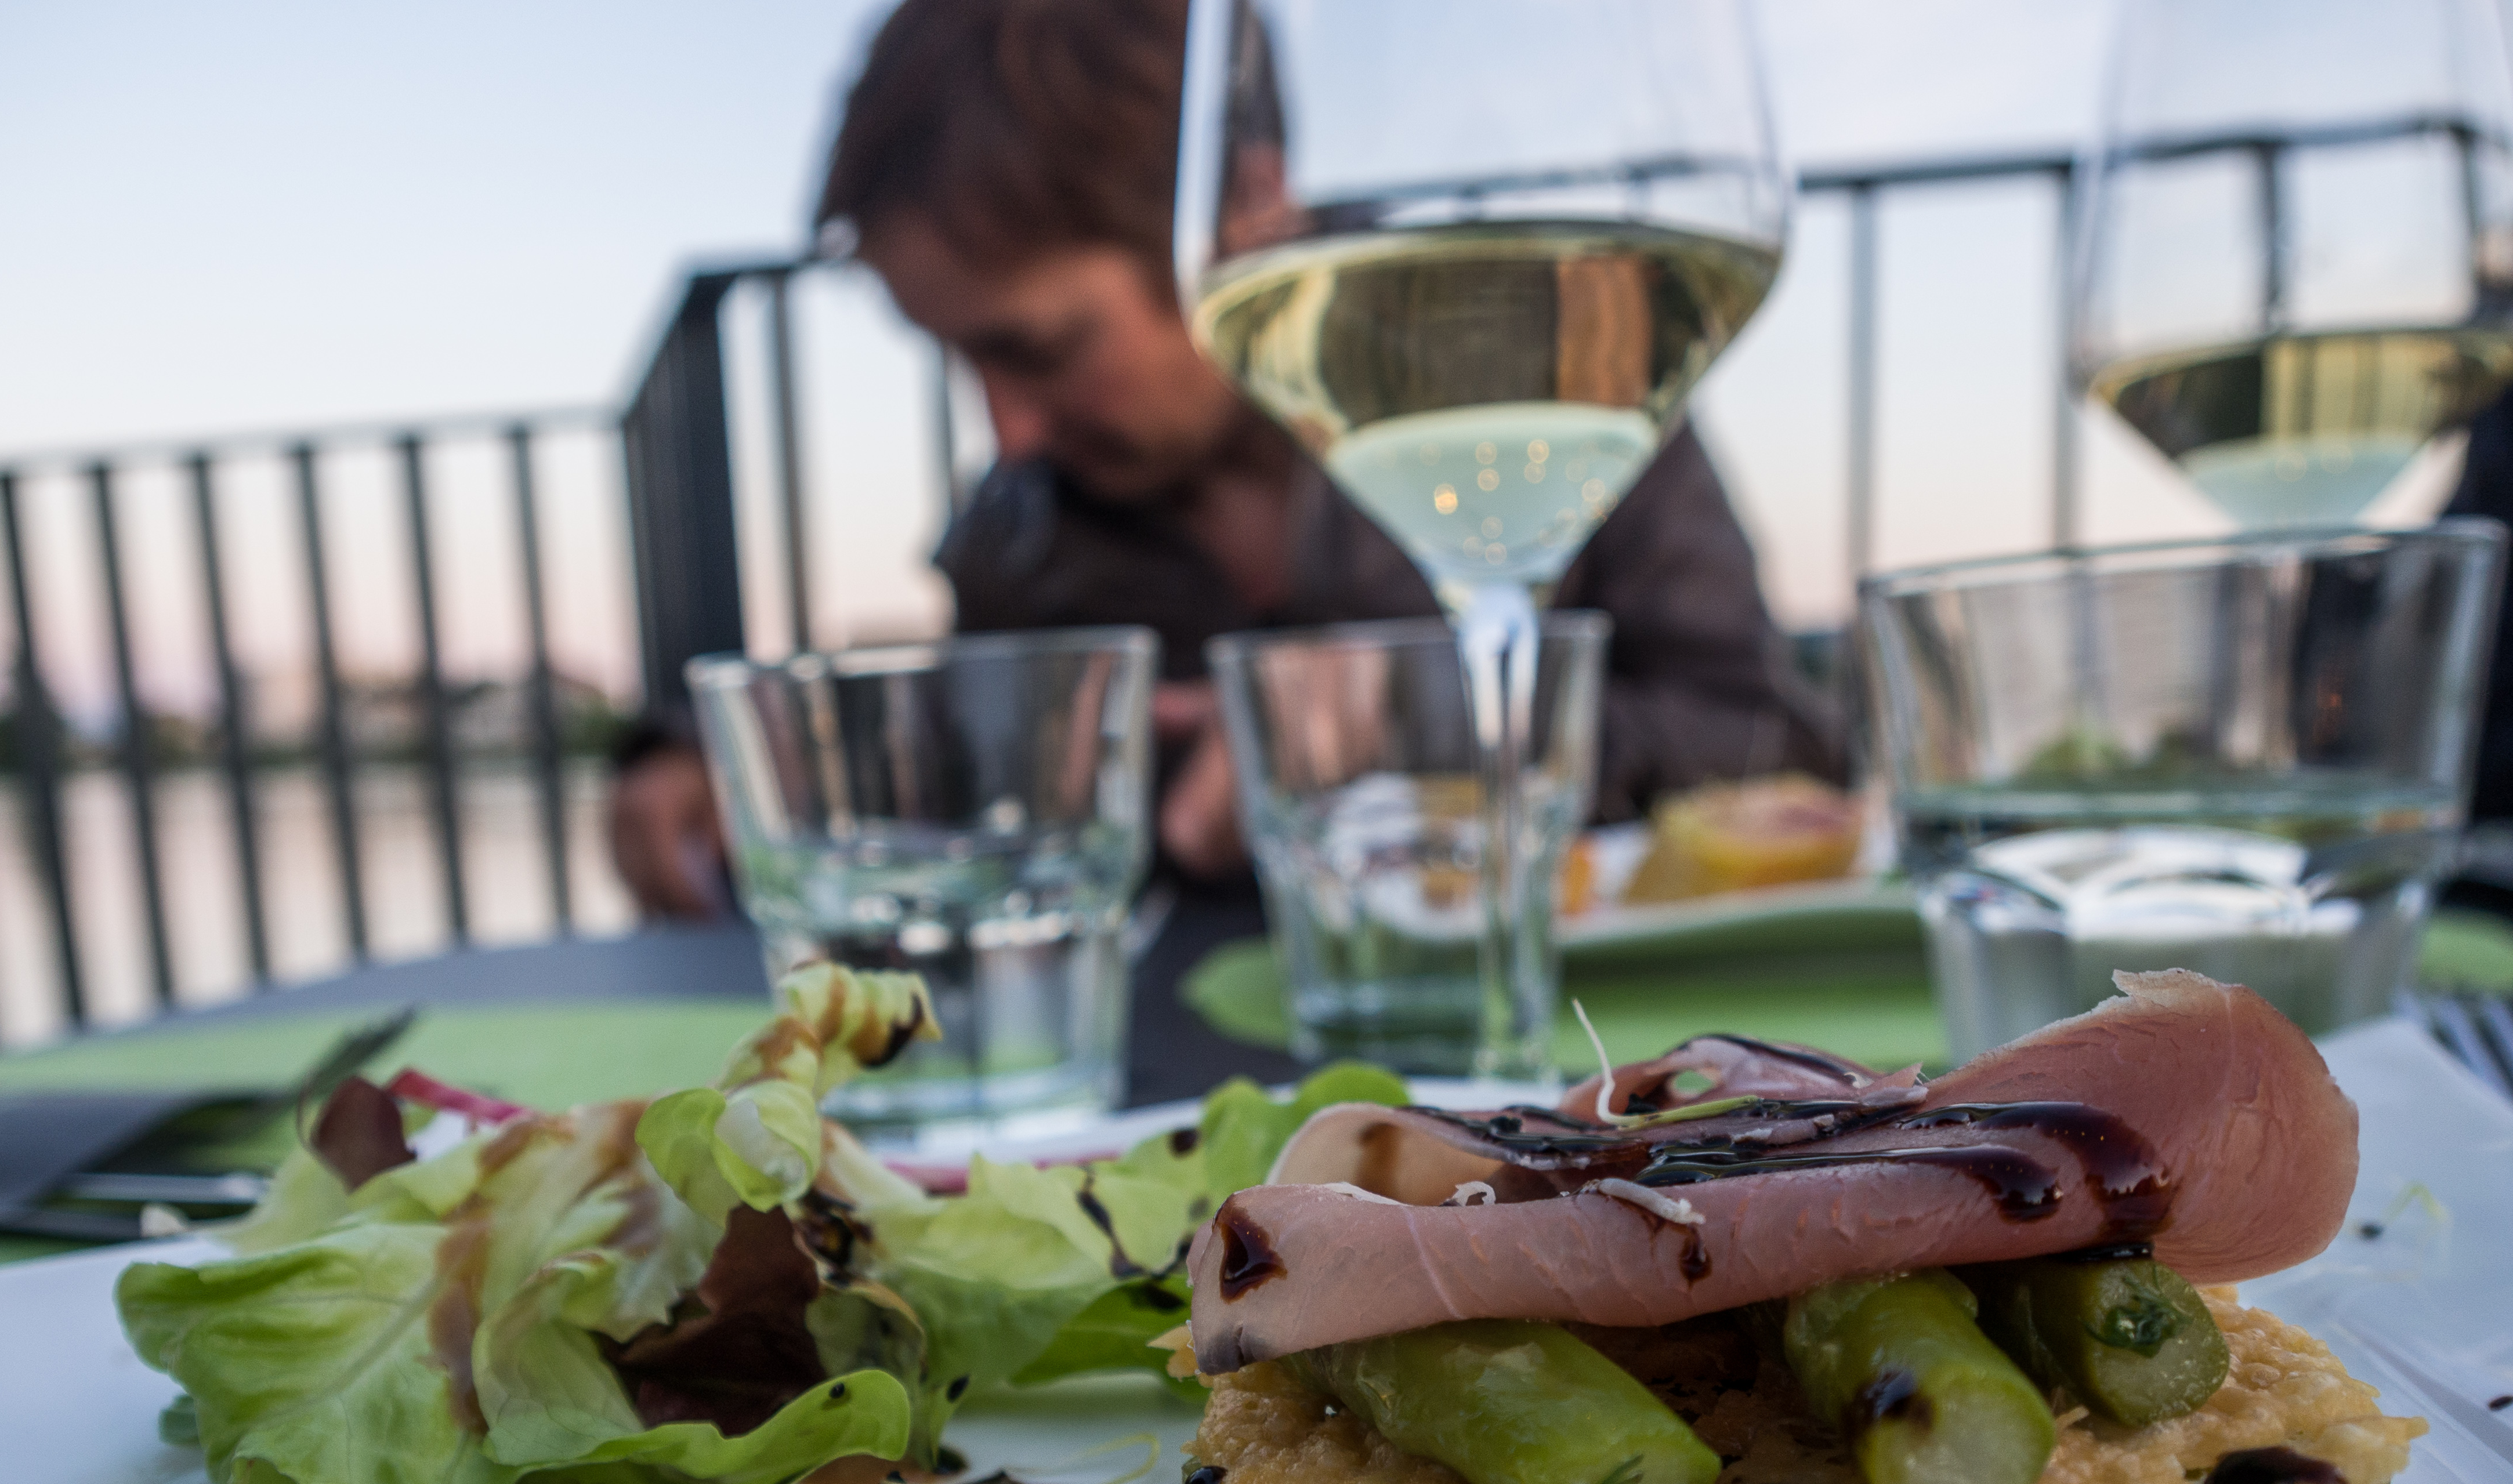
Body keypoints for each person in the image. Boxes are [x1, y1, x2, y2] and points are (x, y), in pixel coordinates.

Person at [611, 0, 1845, 919]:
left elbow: (1776, 746)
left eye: (1037, 349)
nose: (1010, 430)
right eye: (962, 361)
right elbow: (959, 770)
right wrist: (705, 763)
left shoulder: (1555, 362)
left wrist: (1394, 739)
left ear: (1235, 216)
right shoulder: (1027, 540)